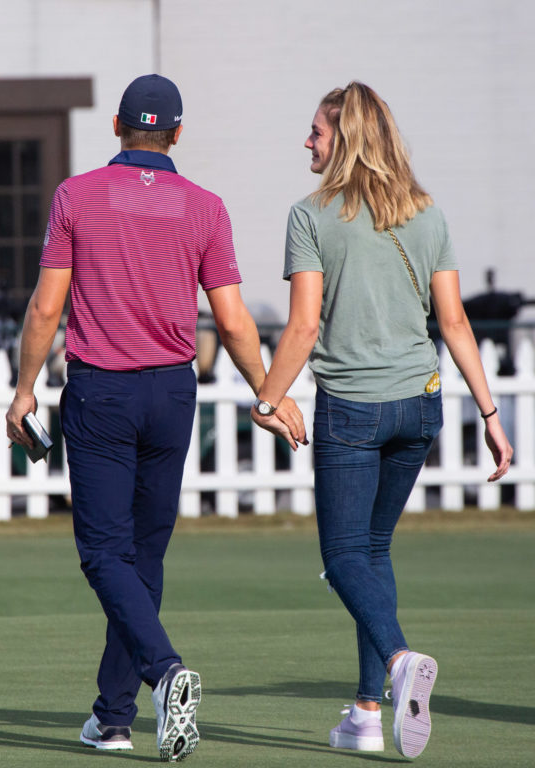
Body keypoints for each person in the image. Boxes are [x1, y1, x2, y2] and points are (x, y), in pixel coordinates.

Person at [5, 74, 305, 762]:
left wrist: (25, 391)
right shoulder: (205, 207)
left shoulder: (75, 195)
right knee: (143, 555)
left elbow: (47, 308)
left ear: (116, 126)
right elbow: (231, 322)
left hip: (101, 392)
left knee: (104, 554)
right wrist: (267, 390)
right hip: (171, 395)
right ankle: (113, 718)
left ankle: (166, 673)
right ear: (175, 134)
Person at [250, 82, 513, 759]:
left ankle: (396, 664)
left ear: (345, 138)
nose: (306, 141)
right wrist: (489, 412)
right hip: (419, 405)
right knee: (373, 552)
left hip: (352, 410)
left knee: (342, 558)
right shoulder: (428, 214)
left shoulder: (309, 216)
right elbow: (453, 322)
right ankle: (366, 714)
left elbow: (304, 326)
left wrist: (267, 399)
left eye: (315, 131)